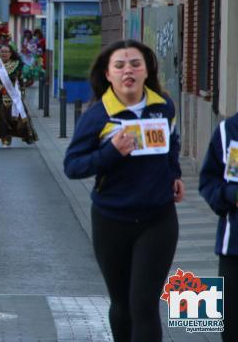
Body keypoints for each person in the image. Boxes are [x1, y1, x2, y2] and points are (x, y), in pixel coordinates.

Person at [63, 39, 184, 341]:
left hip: (158, 219)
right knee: (122, 305)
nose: (127, 71)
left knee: (143, 304)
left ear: (146, 71)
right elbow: (73, 166)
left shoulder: (164, 106)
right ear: (108, 74)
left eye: (135, 64)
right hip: (111, 220)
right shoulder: (97, 116)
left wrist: (175, 174)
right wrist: (111, 152)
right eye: (119, 66)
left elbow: (172, 145)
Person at [199, 116, 238, 342]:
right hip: (233, 249)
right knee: (232, 328)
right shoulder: (227, 130)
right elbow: (208, 181)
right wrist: (229, 196)